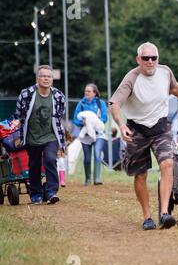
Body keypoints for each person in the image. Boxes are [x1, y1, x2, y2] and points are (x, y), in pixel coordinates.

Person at [109, 42, 178, 230]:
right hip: (136, 130)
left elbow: (175, 88)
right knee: (140, 175)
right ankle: (147, 217)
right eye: (145, 58)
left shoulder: (165, 72)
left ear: (158, 59)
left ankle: (165, 213)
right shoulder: (131, 78)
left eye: (153, 58)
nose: (150, 62)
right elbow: (114, 103)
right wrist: (121, 125)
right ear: (138, 59)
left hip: (160, 127)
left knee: (167, 163)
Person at [14, 65, 66, 204]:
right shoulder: (27, 94)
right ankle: (36, 194)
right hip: (32, 137)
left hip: (51, 136)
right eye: (43, 76)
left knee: (50, 159)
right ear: (38, 78)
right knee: (34, 165)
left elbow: (60, 119)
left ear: (52, 79)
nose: (46, 79)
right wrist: (17, 127)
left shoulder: (59, 96)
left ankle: (51, 192)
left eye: (49, 76)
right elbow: (18, 115)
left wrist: (62, 144)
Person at [73, 83, 108, 186]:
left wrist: (94, 122)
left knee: (97, 154)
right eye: (85, 91)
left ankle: (96, 179)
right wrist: (82, 123)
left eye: (88, 91)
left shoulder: (100, 103)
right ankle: (87, 179)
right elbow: (76, 118)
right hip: (86, 135)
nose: (86, 93)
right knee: (87, 157)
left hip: (99, 134)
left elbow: (105, 117)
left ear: (94, 93)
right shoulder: (81, 104)